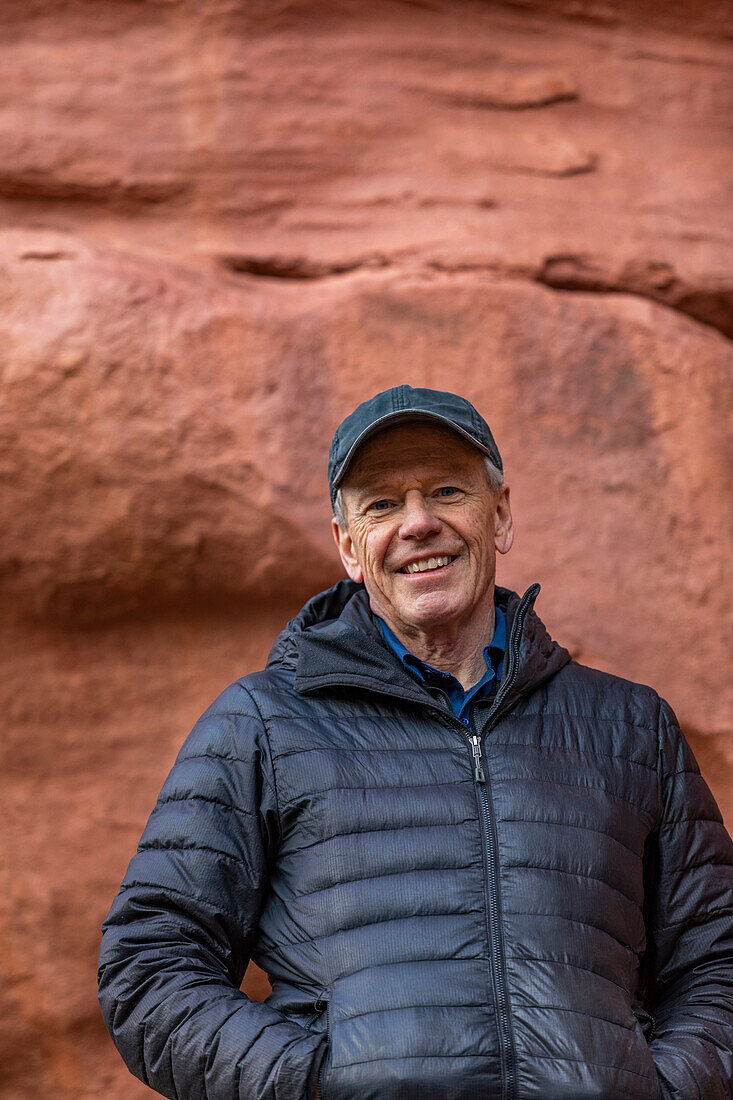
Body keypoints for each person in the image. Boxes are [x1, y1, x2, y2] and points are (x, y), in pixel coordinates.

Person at [98, 385, 733, 1100]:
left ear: (500, 516)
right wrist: (311, 1084)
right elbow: (149, 966)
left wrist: (665, 1088)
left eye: (445, 490)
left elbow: (717, 961)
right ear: (346, 546)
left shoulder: (630, 726)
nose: (419, 522)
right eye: (381, 504)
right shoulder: (263, 723)